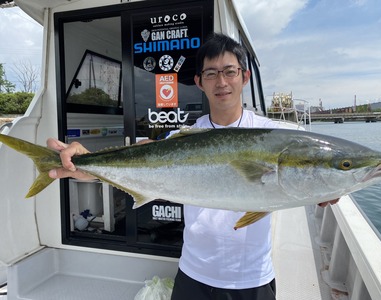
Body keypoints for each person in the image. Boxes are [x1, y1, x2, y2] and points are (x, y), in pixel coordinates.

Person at [47, 33, 338, 300]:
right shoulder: (185, 137)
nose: (221, 82)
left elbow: (299, 182)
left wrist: (324, 190)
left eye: (229, 72)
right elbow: (141, 156)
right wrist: (82, 161)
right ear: (199, 82)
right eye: (211, 74)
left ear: (244, 77)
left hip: (252, 279)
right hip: (193, 276)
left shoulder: (270, 134)